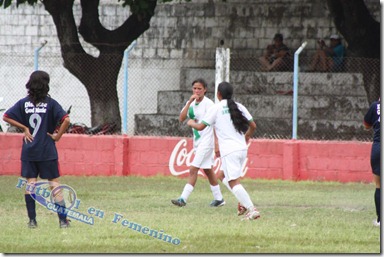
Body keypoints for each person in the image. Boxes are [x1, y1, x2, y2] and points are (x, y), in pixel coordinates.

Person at [3, 70, 71, 228]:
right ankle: (63, 221)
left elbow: (6, 116)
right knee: (54, 183)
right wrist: (57, 136)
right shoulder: (51, 103)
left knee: (31, 183)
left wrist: (25, 128)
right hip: (47, 150)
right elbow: (66, 119)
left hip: (29, 150)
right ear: (46, 85)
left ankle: (32, 221)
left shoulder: (23, 103)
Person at [187, 81, 259, 220]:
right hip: (242, 149)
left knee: (233, 182)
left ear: (218, 94)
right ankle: (243, 202)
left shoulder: (216, 108)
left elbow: (201, 127)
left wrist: (191, 123)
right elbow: (253, 125)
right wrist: (247, 135)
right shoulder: (239, 106)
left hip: (229, 151)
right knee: (221, 176)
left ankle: (252, 209)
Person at [171, 78, 225, 207]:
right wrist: (189, 101)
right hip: (198, 142)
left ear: (205, 89)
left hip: (207, 142)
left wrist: (217, 143)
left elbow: (215, 123)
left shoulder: (209, 104)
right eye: (194, 88)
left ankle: (183, 198)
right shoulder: (192, 103)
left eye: (199, 88)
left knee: (193, 168)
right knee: (208, 170)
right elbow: (181, 118)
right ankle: (219, 199)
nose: (197, 91)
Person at [363, 98, 380, 227]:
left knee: (379, 185)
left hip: (378, 148)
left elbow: (366, 124)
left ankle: (381, 220)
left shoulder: (375, 106)